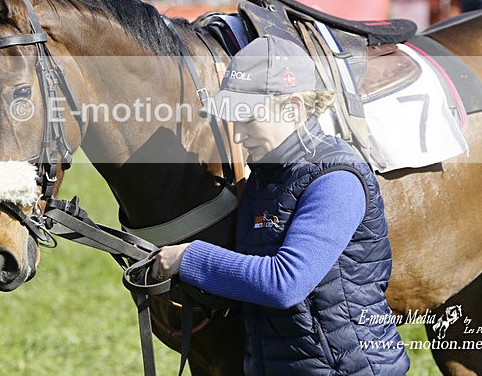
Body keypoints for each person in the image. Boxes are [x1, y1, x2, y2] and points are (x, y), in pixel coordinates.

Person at [152, 35, 410, 375]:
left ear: (293, 108)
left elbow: (285, 283)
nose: (239, 136)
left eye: (248, 119)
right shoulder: (265, 176)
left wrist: (188, 258)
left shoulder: (336, 179)